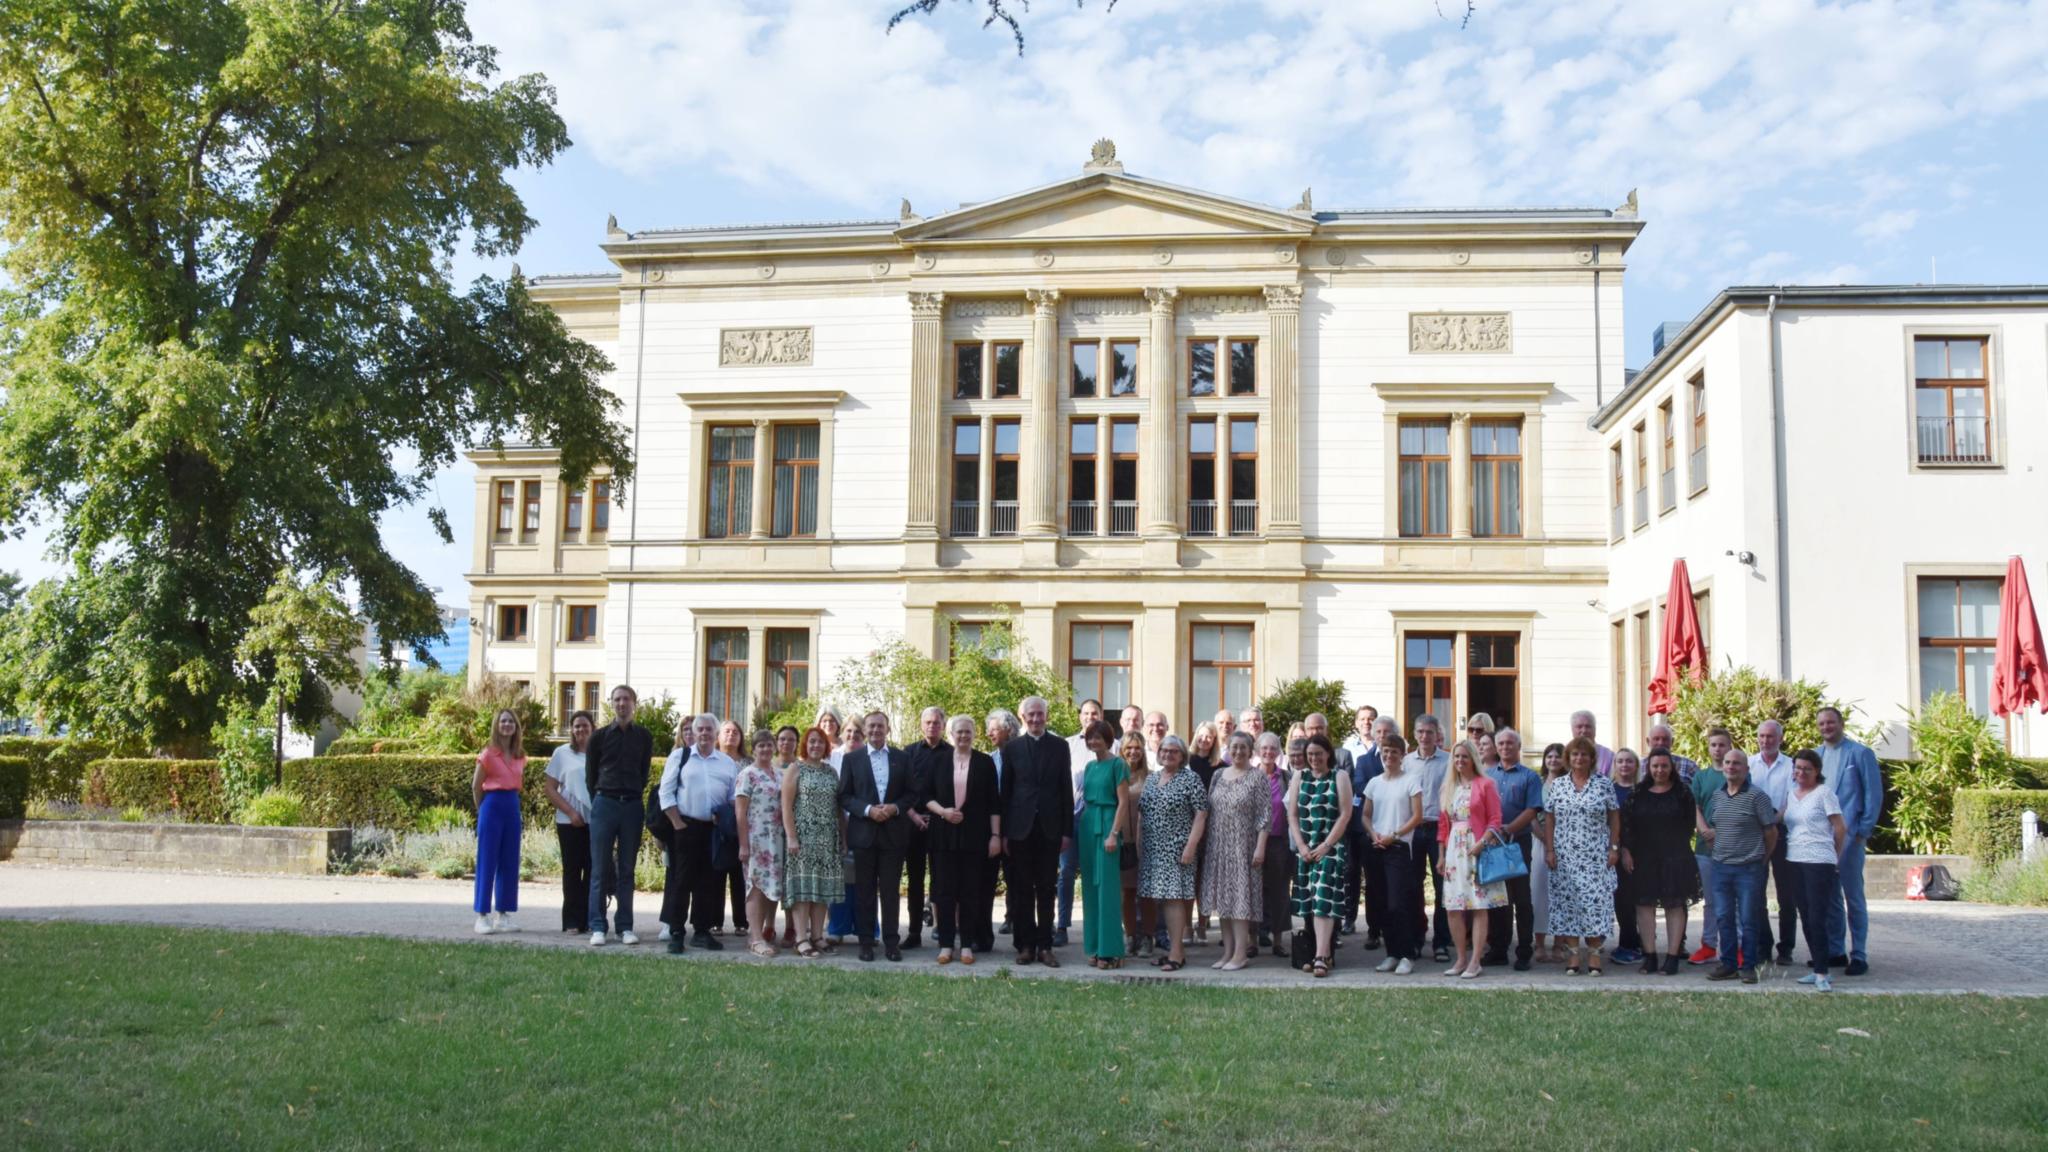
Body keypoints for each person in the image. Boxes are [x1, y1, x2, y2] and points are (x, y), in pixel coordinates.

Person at [1001, 696, 1074, 967]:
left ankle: (1045, 945)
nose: (1035, 719)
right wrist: (1004, 834)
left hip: (1050, 828)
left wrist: (1067, 831)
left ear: (1046, 716)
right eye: (1030, 715)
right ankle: (1025, 945)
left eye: (1039, 714)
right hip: (1019, 830)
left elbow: (1066, 790)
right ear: (1022, 717)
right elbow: (1005, 793)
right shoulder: (1012, 748)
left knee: (1046, 888)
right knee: (1021, 889)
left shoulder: (1060, 746)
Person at [659, 713, 740, 953]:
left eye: (708, 730)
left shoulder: (727, 763)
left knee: (709, 883)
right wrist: (676, 822)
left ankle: (702, 932)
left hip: (713, 831)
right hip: (685, 827)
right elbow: (666, 792)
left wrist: (726, 816)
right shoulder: (680, 757)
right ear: (693, 733)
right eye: (700, 729)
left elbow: (733, 797)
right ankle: (676, 932)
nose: (704, 733)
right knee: (681, 881)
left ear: (716, 734)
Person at [924, 714, 1000, 966]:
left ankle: (966, 944)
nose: (964, 736)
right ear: (951, 734)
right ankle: (946, 944)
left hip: (975, 836)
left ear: (974, 734)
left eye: (968, 732)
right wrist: (943, 812)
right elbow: (925, 796)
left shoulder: (985, 762)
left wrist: (995, 836)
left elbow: (994, 804)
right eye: (959, 732)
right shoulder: (938, 760)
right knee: (945, 892)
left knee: (970, 892)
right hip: (943, 835)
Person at [1540, 736, 1620, 975]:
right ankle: (1573, 956)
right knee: (1568, 904)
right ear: (1568, 758)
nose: (1579, 758)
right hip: (1565, 856)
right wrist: (1550, 850)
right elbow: (1550, 818)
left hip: (1596, 855)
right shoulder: (1559, 785)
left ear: (1592, 758)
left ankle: (1594, 955)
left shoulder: (1603, 784)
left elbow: (1614, 816)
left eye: (1584, 754)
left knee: (1596, 903)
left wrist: (1614, 848)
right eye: (1575, 754)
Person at [839, 711, 913, 962]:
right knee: (864, 892)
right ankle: (866, 943)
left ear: (888, 729)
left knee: (891, 892)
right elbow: (845, 796)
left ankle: (892, 943)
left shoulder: (903, 758)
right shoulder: (852, 759)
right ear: (865, 730)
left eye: (880, 726)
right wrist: (869, 810)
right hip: (864, 834)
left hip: (893, 836)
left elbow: (913, 793)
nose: (875, 730)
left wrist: (894, 808)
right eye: (871, 726)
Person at [1621, 748, 1700, 975]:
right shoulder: (1638, 793)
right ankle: (1650, 956)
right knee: (1644, 906)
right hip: (1643, 858)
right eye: (1655, 766)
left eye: (1664, 766)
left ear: (1671, 767)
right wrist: (1627, 850)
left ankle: (1673, 957)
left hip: (1675, 857)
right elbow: (1627, 825)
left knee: (1674, 905)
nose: (1660, 770)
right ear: (1649, 768)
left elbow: (1689, 824)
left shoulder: (1682, 792)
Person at [1703, 746, 1778, 984]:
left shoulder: (1758, 797)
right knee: (1723, 917)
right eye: (1727, 763)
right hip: (1721, 867)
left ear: (1746, 769)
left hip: (1749, 868)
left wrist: (1763, 859)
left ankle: (1748, 965)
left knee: (1748, 919)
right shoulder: (1717, 795)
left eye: (1736, 763)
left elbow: (1771, 832)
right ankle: (1728, 964)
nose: (1731, 767)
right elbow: (1718, 827)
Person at [585, 686, 652, 946]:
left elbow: (643, 772)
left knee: (627, 869)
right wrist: (599, 801)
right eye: (617, 700)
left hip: (632, 806)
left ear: (634, 703)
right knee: (600, 868)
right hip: (605, 803)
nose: (622, 704)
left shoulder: (644, 737)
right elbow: (590, 775)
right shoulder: (599, 737)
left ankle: (625, 927)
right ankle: (598, 926)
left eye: (626, 699)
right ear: (611, 704)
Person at [1818, 706, 1882, 976]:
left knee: (1853, 898)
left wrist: (1863, 831)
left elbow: (1873, 794)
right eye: (1821, 723)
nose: (1826, 727)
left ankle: (1859, 954)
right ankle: (1835, 951)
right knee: (1830, 897)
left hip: (1851, 836)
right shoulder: (1816, 755)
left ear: (1841, 723)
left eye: (1830, 722)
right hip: (1822, 838)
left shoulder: (1860, 754)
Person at [1138, 735, 1208, 973]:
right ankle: (1173, 950)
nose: (1168, 755)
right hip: (1153, 849)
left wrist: (1191, 846)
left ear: (1182, 756)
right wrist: (1139, 845)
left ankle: (1177, 953)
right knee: (1162, 899)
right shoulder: (1152, 778)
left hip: (1178, 849)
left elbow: (1201, 814)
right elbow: (1142, 813)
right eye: (1164, 751)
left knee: (1174, 899)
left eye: (1173, 751)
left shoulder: (1190, 779)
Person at [1436, 739, 1504, 978]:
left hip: (1478, 847)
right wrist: (1442, 855)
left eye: (1464, 756)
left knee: (1478, 906)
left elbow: (1495, 819)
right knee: (1454, 906)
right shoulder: (1448, 788)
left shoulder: (1486, 784)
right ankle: (1461, 959)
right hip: (1455, 850)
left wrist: (1481, 842)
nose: (1460, 761)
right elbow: (1443, 825)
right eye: (1456, 757)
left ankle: (1475, 960)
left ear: (1473, 759)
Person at [1202, 727, 1266, 972]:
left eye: (1243, 747)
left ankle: (1241, 954)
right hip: (1218, 847)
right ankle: (1227, 952)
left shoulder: (1256, 777)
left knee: (1240, 901)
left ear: (1251, 751)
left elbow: (1264, 817)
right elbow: (1209, 811)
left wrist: (1260, 848)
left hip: (1244, 847)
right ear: (1228, 749)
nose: (1238, 751)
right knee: (1223, 901)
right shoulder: (1218, 775)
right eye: (1234, 747)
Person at [1289, 733, 1353, 978]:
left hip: (1330, 848)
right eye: (1310, 754)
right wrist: (1302, 846)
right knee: (1310, 902)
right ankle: (1320, 954)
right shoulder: (1299, 777)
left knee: (1324, 900)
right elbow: (1292, 815)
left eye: (1318, 753)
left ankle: (1320, 956)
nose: (1314, 758)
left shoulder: (1339, 776)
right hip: (1306, 849)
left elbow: (1345, 814)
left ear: (1328, 754)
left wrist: (1326, 845)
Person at [1784, 748, 1846, 991]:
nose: (1801, 773)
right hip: (1794, 858)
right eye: (1798, 768)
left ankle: (1822, 971)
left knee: (1818, 915)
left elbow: (1840, 828)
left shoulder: (1824, 793)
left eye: (1806, 769)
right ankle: (1818, 967)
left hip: (1819, 860)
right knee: (1806, 914)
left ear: (1816, 771)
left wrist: (1836, 857)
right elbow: (1785, 819)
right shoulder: (1791, 794)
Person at [1362, 733, 1424, 975]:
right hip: (1376, 847)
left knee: (1398, 903)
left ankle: (1407, 954)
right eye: (1385, 751)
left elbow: (1417, 816)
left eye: (1394, 752)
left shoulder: (1411, 781)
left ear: (1402, 755)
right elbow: (1366, 815)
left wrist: (1394, 835)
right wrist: (1373, 834)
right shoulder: (1374, 783)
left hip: (1398, 848)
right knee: (1380, 904)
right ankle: (1392, 953)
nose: (1389, 756)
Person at [1482, 727, 1543, 971]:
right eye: (1502, 743)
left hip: (1518, 842)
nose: (1506, 747)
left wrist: (1508, 829)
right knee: (1499, 898)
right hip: (1493, 843)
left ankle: (1524, 951)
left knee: (1521, 899)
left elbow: (1532, 809)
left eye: (1510, 743)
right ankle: (1499, 950)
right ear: (1496, 747)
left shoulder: (1530, 777)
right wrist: (1493, 832)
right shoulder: (1486, 777)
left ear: (1518, 747)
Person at [781, 726, 845, 957]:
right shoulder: (795, 769)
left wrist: (843, 838)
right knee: (804, 889)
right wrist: (791, 837)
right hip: (803, 840)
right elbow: (786, 806)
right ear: (805, 745)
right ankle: (801, 938)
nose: (815, 746)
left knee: (822, 889)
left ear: (826, 746)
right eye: (811, 742)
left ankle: (817, 936)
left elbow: (838, 809)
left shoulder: (831, 772)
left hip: (828, 839)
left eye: (820, 742)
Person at [1074, 719, 1131, 969]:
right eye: (1090, 737)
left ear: (1108, 739)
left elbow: (1123, 803)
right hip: (1088, 825)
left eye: (1098, 737)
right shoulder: (1089, 767)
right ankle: (1094, 947)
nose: (1094, 741)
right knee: (1090, 888)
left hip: (1108, 823)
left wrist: (1113, 833)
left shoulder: (1118, 764)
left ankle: (1111, 950)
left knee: (1108, 887)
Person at [471, 708, 526, 935]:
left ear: (516, 727)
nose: (507, 725)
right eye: (503, 721)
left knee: (510, 861)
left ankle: (503, 915)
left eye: (510, 721)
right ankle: (482, 915)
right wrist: (483, 811)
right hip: (491, 805)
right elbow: (476, 786)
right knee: (487, 860)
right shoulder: (487, 755)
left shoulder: (520, 756)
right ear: (497, 725)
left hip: (512, 805)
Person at [732, 729, 786, 958]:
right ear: (753, 749)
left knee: (771, 887)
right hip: (756, 840)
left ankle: (764, 931)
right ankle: (755, 938)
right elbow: (740, 813)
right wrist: (743, 845)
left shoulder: (780, 774)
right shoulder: (747, 774)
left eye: (768, 745)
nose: (765, 749)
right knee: (755, 887)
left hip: (777, 840)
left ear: (774, 747)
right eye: (760, 745)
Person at [1749, 720, 1798, 966]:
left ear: (1780, 738)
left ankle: (1786, 948)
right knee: (1756, 893)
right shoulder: (1748, 764)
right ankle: (1763, 946)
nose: (1766, 740)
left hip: (1783, 831)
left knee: (1786, 896)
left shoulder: (1791, 766)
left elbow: (1794, 798)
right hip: (1755, 834)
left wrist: (1774, 820)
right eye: (1761, 736)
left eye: (1770, 736)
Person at [543, 710, 596, 934]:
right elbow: (550, 788)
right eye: (576, 726)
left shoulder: (599, 753)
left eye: (585, 725)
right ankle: (572, 921)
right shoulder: (562, 753)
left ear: (593, 728)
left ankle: (590, 919)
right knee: (572, 871)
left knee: (593, 871)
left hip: (595, 820)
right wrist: (571, 812)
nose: (580, 729)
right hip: (569, 821)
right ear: (571, 729)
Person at [1056, 699, 1103, 951]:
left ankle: (1097, 925)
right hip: (1072, 817)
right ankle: (1062, 925)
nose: (1090, 717)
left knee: (1096, 874)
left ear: (1101, 715)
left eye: (1094, 713)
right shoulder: (1067, 746)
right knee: (1065, 873)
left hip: (1098, 819)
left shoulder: (1114, 745)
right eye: (1085, 713)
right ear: (1079, 717)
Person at [1687, 727, 1735, 966]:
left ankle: (1734, 947)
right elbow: (1693, 806)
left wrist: (1721, 832)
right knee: (1711, 900)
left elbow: (1742, 809)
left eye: (1722, 744)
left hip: (1733, 849)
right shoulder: (1701, 777)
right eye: (1714, 745)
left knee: (1732, 901)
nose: (1718, 749)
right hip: (1705, 849)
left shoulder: (1737, 775)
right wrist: (1704, 830)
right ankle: (1708, 945)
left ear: (1730, 747)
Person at [903, 706, 948, 950]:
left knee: (940, 880)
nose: (932, 726)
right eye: (928, 722)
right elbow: (900, 789)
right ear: (921, 725)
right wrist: (912, 815)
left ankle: (941, 929)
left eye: (936, 722)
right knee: (916, 881)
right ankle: (913, 932)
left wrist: (938, 815)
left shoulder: (952, 753)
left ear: (943, 725)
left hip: (941, 824)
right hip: (912, 823)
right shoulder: (908, 753)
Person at [1408, 714, 1452, 962]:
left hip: (1440, 830)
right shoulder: (1406, 762)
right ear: (1415, 734)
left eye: (1429, 732)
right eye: (1420, 731)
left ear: (1437, 735)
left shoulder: (1448, 761)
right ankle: (1416, 939)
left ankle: (1441, 943)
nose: (1425, 736)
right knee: (1413, 888)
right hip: (1414, 829)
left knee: (1442, 887)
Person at [1345, 717, 1391, 946]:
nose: (1382, 735)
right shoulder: (1363, 761)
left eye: (1387, 731)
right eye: (1379, 731)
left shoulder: (1404, 761)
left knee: (1394, 883)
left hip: (1396, 830)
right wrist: (1392, 789)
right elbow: (1361, 787)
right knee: (1372, 883)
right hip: (1369, 827)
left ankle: (1395, 930)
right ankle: (1374, 931)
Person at [982, 709, 1019, 951]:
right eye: (989, 729)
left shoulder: (1021, 756)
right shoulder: (987, 759)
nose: (989, 733)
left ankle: (1016, 922)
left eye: (994, 729)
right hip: (989, 829)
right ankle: (983, 934)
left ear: (1009, 730)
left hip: (1017, 827)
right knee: (985, 881)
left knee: (1017, 880)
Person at [1254, 731, 1293, 956]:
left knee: (1279, 892)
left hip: (1279, 842)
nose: (1269, 752)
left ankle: (1278, 941)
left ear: (1279, 751)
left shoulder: (1286, 777)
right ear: (1258, 751)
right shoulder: (1250, 776)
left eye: (1273, 748)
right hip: (1253, 842)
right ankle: (1252, 940)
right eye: (1264, 748)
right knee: (1254, 891)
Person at [1530, 742, 1567, 961]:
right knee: (1539, 893)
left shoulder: (1570, 784)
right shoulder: (1538, 783)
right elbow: (1532, 814)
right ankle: (1540, 944)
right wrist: (1545, 838)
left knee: (1563, 895)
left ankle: (1559, 945)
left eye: (1558, 757)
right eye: (1549, 756)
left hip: (1565, 845)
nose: (1553, 760)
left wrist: (1556, 842)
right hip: (1540, 842)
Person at [1117, 732, 1153, 955]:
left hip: (1148, 844)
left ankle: (1148, 937)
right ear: (1121, 750)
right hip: (1124, 844)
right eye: (1129, 748)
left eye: (1137, 748)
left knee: (1147, 893)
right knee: (1127, 893)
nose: (1133, 752)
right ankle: (1130, 935)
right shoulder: (1116, 775)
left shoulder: (1151, 777)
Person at [1608, 747, 1645, 965]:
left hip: (1641, 853)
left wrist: (1630, 850)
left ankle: (1632, 944)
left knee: (1637, 901)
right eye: (1620, 761)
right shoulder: (1609, 790)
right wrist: (1619, 849)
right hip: (1615, 853)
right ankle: (1628, 942)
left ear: (1636, 766)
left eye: (1629, 761)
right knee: (1621, 901)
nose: (1624, 765)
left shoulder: (1642, 791)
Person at [714, 720, 749, 936]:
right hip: (718, 824)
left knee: (740, 875)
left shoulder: (749, 763)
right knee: (717, 873)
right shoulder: (713, 759)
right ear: (719, 736)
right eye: (726, 731)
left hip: (744, 824)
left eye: (735, 732)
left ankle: (742, 922)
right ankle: (715, 921)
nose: (731, 735)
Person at [772, 725, 803, 947]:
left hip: (793, 830)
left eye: (791, 739)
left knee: (791, 880)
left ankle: (791, 927)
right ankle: (768, 926)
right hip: (770, 831)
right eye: (782, 739)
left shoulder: (800, 767)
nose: (786, 743)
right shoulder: (766, 764)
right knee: (772, 879)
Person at [1569, 710, 1617, 776]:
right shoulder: (1564, 754)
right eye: (1579, 727)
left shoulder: (1609, 756)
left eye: (1588, 726)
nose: (1584, 731)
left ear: (1595, 729)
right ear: (1572, 729)